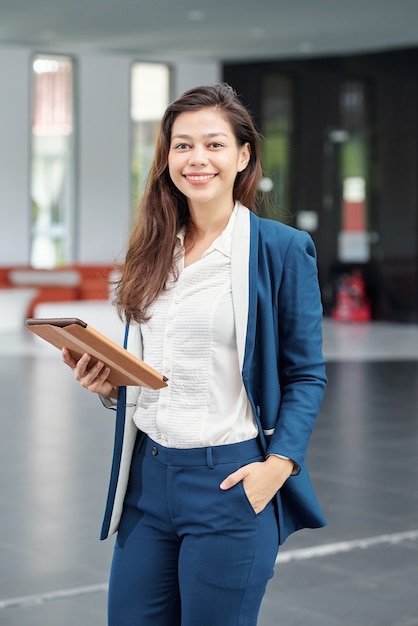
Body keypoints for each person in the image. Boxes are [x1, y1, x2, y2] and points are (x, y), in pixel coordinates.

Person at [62, 82, 327, 626]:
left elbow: (305, 374)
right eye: (182, 146)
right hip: (148, 478)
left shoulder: (280, 249)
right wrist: (111, 385)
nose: (196, 159)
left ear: (243, 155)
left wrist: (278, 466)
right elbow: (156, 370)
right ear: (166, 158)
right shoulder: (153, 248)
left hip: (230, 483)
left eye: (214, 144)